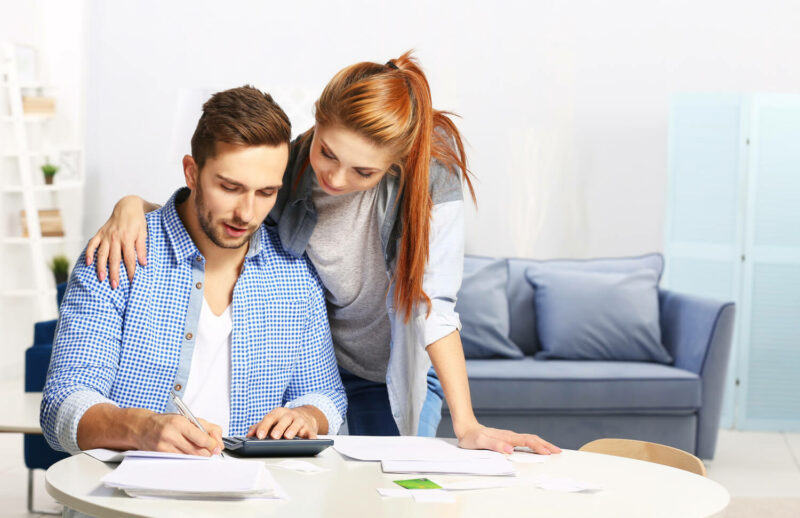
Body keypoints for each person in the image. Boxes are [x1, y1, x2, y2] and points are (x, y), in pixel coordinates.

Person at [86, 52, 560, 455]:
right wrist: (132, 206)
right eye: (328, 153)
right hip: (329, 365)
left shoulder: (431, 182)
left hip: (396, 371)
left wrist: (468, 425)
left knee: (395, 491)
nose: (335, 178)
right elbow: (217, 204)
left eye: (363, 172)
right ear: (317, 121)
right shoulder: (287, 166)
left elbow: (433, 307)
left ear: (393, 164)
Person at [41, 86, 346, 456]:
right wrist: (140, 429)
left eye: (266, 192)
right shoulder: (120, 252)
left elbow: (326, 394)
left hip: (250, 500)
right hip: (127, 504)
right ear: (191, 172)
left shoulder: (295, 274)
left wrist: (307, 417)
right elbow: (62, 403)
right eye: (230, 187)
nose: (247, 213)